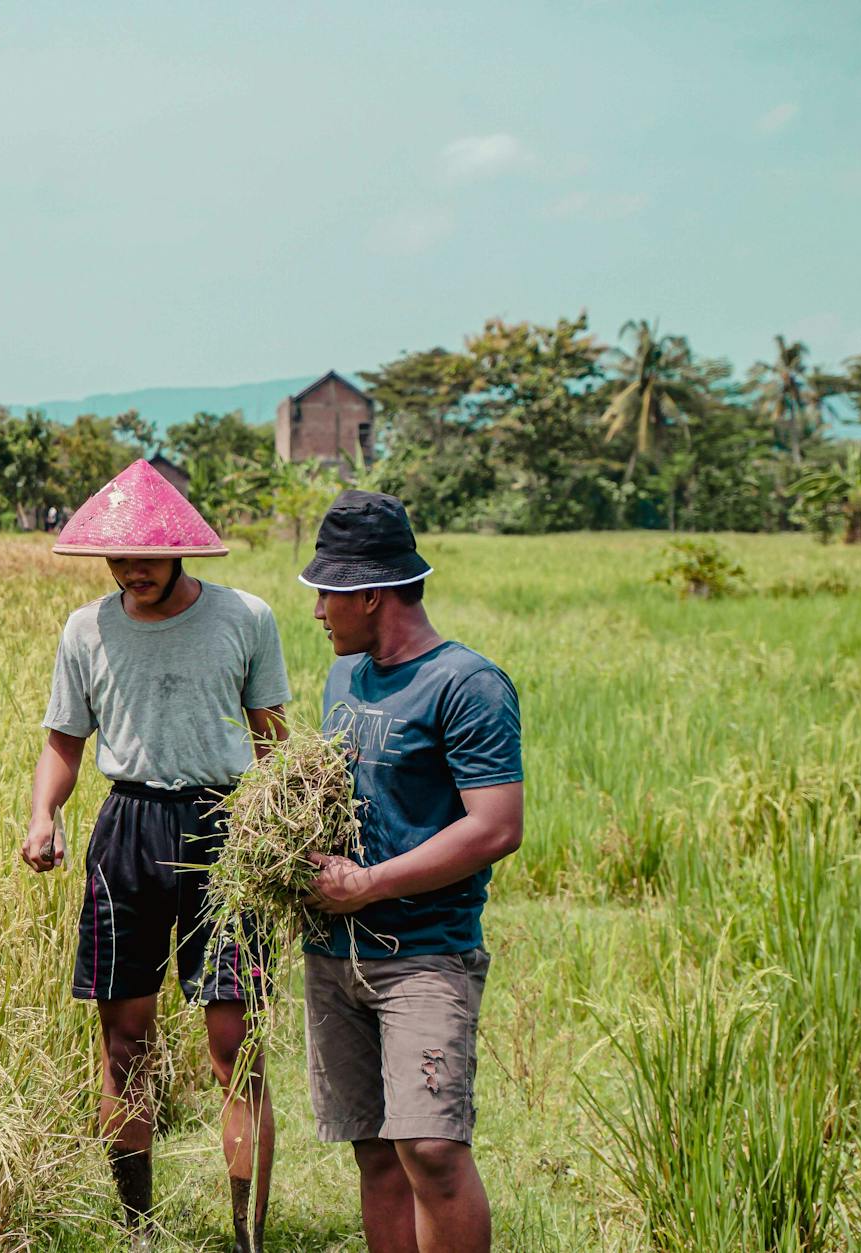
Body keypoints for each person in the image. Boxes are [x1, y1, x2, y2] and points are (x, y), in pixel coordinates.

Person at [21, 458, 290, 1252]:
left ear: (180, 550)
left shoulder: (245, 617)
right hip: (128, 830)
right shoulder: (86, 629)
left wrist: (284, 831)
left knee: (236, 1047)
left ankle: (247, 1238)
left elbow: (273, 739)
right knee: (125, 1042)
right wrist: (43, 815)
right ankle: (137, 1227)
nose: (132, 569)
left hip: (226, 830)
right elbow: (64, 741)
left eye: (146, 555)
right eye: (118, 556)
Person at [297, 490, 524, 1253]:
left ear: (370, 593)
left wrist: (370, 883)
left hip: (424, 952)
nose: (319, 610)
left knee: (431, 1148)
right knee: (374, 1148)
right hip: (335, 952)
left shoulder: (467, 684)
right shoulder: (344, 679)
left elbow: (496, 826)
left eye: (328, 593)